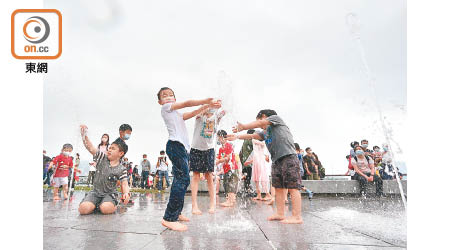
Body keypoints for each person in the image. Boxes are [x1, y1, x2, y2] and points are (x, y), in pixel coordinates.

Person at [157, 86, 220, 231]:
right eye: (164, 95)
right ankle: (169, 218)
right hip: (175, 146)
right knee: (182, 179)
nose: (168, 97)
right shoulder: (166, 108)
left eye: (171, 95)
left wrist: (207, 106)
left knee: (182, 179)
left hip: (181, 148)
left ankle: (176, 212)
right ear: (160, 102)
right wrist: (205, 100)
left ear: (174, 98)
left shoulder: (176, 114)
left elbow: (192, 112)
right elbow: (187, 104)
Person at [227, 109, 303, 224]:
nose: (260, 125)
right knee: (278, 187)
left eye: (260, 120)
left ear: (264, 117)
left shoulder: (276, 119)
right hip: (276, 160)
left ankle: (297, 216)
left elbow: (260, 123)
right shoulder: (265, 132)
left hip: (288, 156)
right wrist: (237, 136)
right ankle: (280, 213)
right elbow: (252, 135)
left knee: (293, 187)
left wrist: (243, 126)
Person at [78, 125, 130, 215]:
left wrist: (126, 193)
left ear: (121, 153)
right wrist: (84, 135)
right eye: (109, 148)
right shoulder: (102, 158)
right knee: (83, 209)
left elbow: (124, 183)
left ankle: (109, 204)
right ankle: (95, 204)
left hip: (109, 194)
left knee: (106, 209)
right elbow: (90, 148)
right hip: (95, 192)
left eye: (113, 149)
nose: (109, 150)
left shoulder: (121, 168)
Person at [190, 106, 225, 215]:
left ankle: (212, 205)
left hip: (209, 150)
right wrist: (208, 104)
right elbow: (199, 112)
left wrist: (220, 103)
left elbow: (225, 110)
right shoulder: (200, 116)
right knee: (196, 176)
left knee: (209, 176)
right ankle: (194, 205)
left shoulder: (216, 118)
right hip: (196, 149)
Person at [216, 130, 239, 207]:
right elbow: (219, 158)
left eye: (218, 137)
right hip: (226, 169)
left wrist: (219, 161)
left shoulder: (228, 145)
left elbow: (228, 158)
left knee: (231, 184)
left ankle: (230, 201)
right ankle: (230, 201)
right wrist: (217, 161)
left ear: (222, 137)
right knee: (227, 184)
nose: (218, 139)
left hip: (232, 168)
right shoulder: (220, 149)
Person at [239, 129, 255, 195]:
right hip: (249, 162)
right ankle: (248, 190)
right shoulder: (250, 140)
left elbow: (240, 153)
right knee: (248, 176)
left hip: (244, 162)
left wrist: (242, 162)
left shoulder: (245, 141)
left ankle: (245, 190)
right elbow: (256, 149)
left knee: (246, 176)